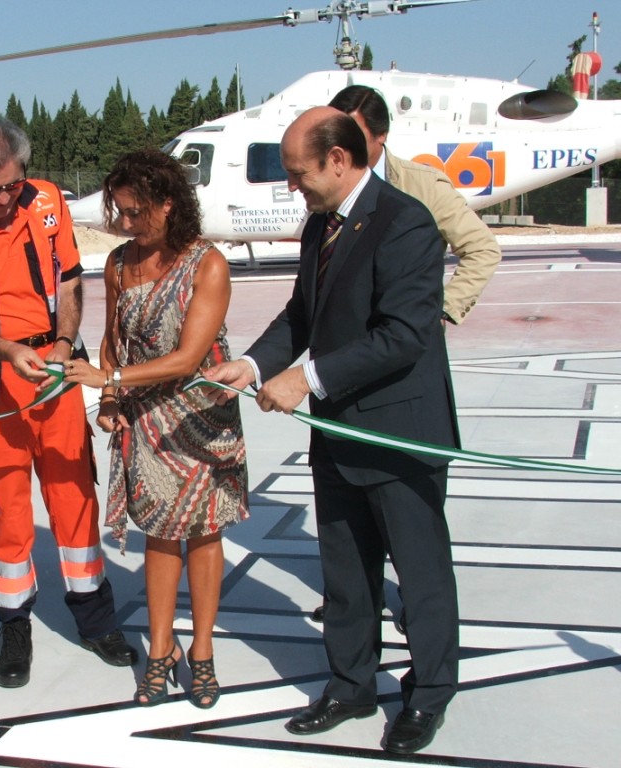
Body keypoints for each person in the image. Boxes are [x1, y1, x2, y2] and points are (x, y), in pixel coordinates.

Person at [205, 107, 460, 755]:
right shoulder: (322, 222)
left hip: (400, 432)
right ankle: (351, 685)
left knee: (420, 572)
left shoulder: (406, 223)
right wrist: (256, 363)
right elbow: (302, 312)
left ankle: (427, 695)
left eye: (299, 174)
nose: (293, 186)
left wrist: (306, 379)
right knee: (345, 571)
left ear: (339, 160)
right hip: (339, 430)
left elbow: (403, 336)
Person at [0, 114, 137, 688]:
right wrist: (9, 352)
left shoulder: (45, 202)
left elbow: (67, 281)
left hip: (54, 375)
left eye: (14, 182)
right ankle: (14, 626)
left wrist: (63, 342)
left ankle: (95, 619)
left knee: (73, 497)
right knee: (4, 510)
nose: (6, 197)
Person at [308, 85, 500, 629]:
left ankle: (425, 646)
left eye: (351, 136)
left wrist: (437, 313)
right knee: (349, 550)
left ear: (378, 138)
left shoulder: (416, 189)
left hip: (400, 385)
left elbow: (481, 248)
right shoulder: (322, 209)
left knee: (417, 551)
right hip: (343, 396)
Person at [64, 149, 249, 709]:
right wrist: (112, 397)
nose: (125, 223)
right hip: (145, 417)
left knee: (204, 532)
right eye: (118, 211)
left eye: (135, 211)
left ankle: (203, 653)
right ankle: (162, 650)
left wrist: (109, 377)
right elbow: (112, 336)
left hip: (201, 414)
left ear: (169, 205)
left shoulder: (207, 264)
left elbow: (189, 357)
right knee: (160, 533)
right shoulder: (119, 264)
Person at [329, 84, 501, 326]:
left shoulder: (424, 185)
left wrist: (443, 309)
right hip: (347, 342)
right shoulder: (328, 189)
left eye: (354, 138)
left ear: (381, 134)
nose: (342, 149)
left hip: (406, 341)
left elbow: (482, 248)